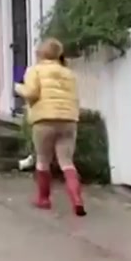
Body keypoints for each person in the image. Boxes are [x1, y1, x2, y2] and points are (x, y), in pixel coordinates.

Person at [15, 38, 86, 216]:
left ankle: (43, 199)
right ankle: (77, 199)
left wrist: (18, 87)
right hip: (68, 120)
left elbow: (31, 93)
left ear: (41, 53)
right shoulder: (69, 73)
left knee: (43, 160)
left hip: (44, 120)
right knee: (67, 162)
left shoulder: (35, 70)